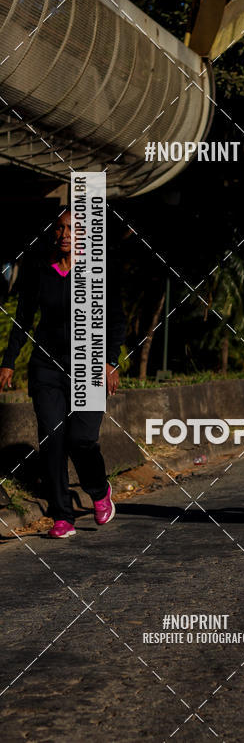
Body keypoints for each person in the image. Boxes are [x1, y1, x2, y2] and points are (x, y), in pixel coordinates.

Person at [0, 210, 126, 538]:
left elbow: (115, 320)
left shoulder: (98, 271)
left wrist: (111, 361)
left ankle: (98, 490)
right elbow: (24, 318)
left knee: (81, 439)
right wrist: (9, 361)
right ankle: (62, 515)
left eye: (72, 228)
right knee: (52, 437)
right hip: (46, 366)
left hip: (88, 364)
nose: (65, 233)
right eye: (60, 228)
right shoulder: (39, 269)